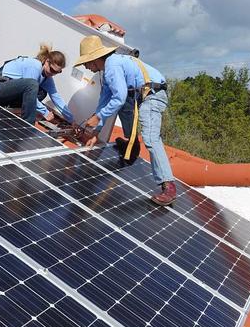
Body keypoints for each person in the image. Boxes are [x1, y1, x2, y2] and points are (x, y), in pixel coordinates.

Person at [73, 35, 176, 206]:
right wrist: (95, 131)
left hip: (153, 95)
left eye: (86, 62)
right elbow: (104, 102)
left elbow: (119, 98)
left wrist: (98, 117)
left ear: (95, 59)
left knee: (150, 138)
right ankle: (132, 144)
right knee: (120, 105)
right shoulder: (107, 73)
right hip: (142, 95)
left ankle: (168, 186)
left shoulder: (112, 66)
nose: (85, 66)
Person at [0, 45, 74, 125]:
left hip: (6, 94)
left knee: (42, 92)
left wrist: (72, 120)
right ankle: (28, 124)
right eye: (52, 70)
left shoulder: (47, 77)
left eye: (57, 72)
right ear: (47, 62)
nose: (53, 74)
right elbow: (31, 90)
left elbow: (56, 97)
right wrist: (45, 112)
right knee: (32, 85)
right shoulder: (35, 66)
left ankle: (13, 107)